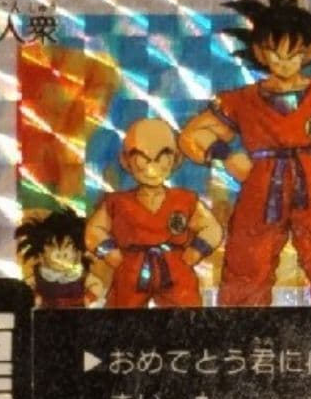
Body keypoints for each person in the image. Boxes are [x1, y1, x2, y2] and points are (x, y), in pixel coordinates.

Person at [179, 0, 311, 306]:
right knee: (248, 259)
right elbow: (193, 135)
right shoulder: (241, 100)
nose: (283, 62)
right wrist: (226, 154)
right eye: (274, 53)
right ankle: (242, 328)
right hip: (262, 182)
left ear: (308, 52)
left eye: (292, 54)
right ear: (259, 52)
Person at [85, 118, 222, 308]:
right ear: (126, 160)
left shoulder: (185, 200)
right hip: (131, 271)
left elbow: (212, 228)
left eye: (161, 158)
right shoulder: (117, 203)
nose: (151, 168)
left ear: (174, 159)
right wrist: (110, 253)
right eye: (142, 158)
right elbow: (94, 231)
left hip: (176, 271)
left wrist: (197, 251)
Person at [15, 208, 100, 308]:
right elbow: (25, 287)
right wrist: (34, 297)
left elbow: (96, 285)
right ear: (41, 256)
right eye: (53, 248)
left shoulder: (81, 275)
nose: (62, 254)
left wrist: (89, 297)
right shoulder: (39, 275)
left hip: (76, 312)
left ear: (78, 253)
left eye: (67, 247)